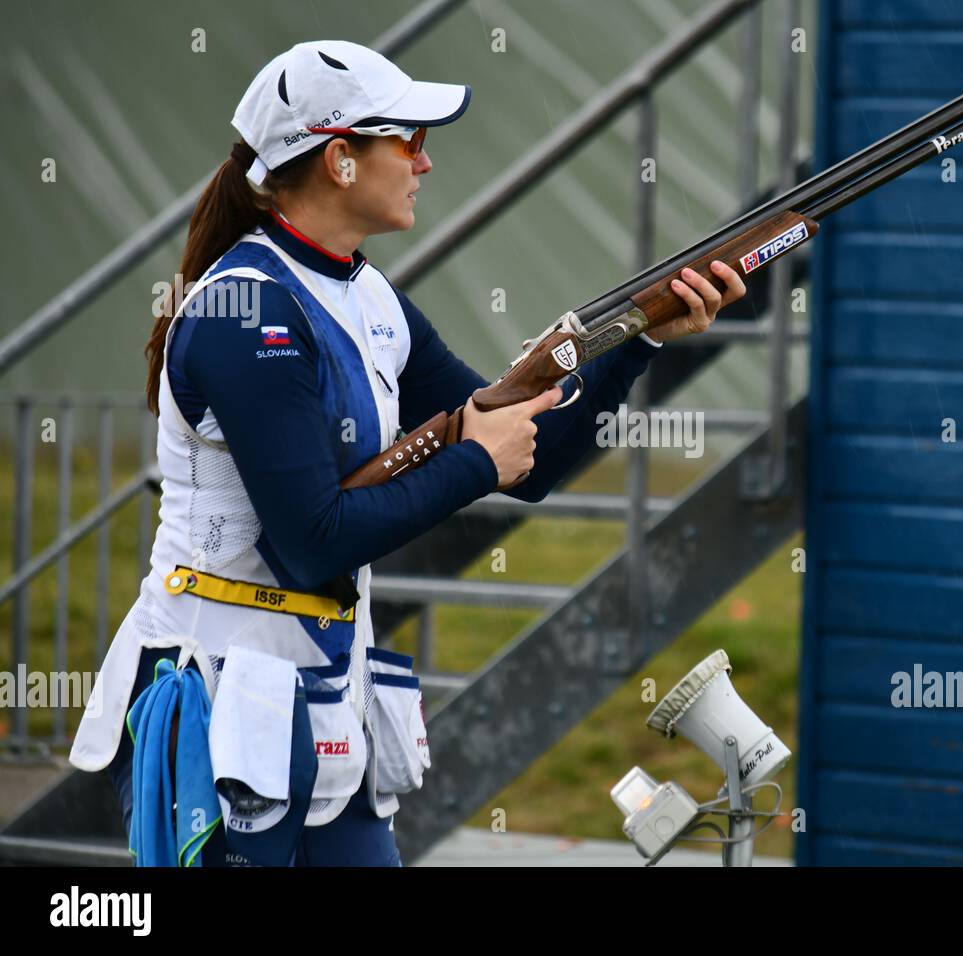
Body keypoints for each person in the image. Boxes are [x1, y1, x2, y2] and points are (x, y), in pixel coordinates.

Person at [68, 40, 747, 866]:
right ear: (340, 159)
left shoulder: (368, 296)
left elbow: (531, 463)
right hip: (220, 699)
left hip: (324, 702)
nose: (425, 160)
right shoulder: (245, 312)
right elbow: (312, 539)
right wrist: (472, 462)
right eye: (408, 138)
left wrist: (637, 344)